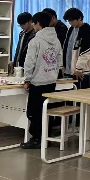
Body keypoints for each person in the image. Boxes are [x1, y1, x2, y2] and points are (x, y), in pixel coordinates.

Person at [21, 12, 62, 149]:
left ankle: (36, 139)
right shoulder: (56, 40)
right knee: (47, 110)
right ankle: (45, 137)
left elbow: (29, 62)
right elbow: (59, 59)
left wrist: (27, 79)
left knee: (34, 112)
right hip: (51, 81)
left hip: (37, 82)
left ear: (38, 23)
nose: (33, 25)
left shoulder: (36, 41)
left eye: (34, 23)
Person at [63, 8, 90, 88]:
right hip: (70, 68)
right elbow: (66, 47)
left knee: (81, 91)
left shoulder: (86, 30)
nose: (70, 23)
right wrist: (64, 65)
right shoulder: (71, 29)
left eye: (72, 20)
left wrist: (79, 68)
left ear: (79, 18)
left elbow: (86, 52)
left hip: (82, 70)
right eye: (69, 21)